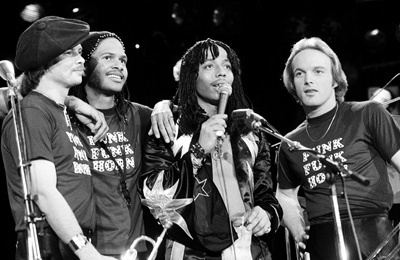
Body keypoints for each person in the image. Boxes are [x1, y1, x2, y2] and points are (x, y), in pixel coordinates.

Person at [140, 38, 283, 260]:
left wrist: (266, 215)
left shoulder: (251, 132)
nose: (221, 73)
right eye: (209, 66)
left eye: (227, 66)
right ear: (191, 76)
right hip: (187, 251)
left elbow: (265, 193)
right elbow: (154, 196)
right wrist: (197, 151)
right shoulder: (169, 125)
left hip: (247, 250)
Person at [276, 36, 400, 260]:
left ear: (334, 79)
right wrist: (297, 231)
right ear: (292, 84)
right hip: (321, 236)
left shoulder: (367, 113)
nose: (308, 80)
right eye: (299, 73)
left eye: (318, 71)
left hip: (372, 229)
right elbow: (284, 195)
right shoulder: (290, 142)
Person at [1, 16, 114, 260]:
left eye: (80, 52)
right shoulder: (33, 112)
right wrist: (87, 253)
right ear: (45, 60)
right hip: (50, 242)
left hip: (71, 241)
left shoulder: (59, 111)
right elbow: (43, 192)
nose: (81, 59)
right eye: (70, 53)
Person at [68, 31, 175, 259]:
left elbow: (190, 112)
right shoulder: (62, 115)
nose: (119, 65)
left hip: (134, 250)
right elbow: (12, 100)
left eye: (123, 60)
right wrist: (69, 101)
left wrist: (164, 104)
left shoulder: (141, 116)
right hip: (82, 251)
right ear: (84, 63)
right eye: (107, 57)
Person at [371, 88, 400, 227]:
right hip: (377, 198)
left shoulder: (397, 125)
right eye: (373, 97)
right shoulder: (366, 126)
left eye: (383, 100)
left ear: (392, 106)